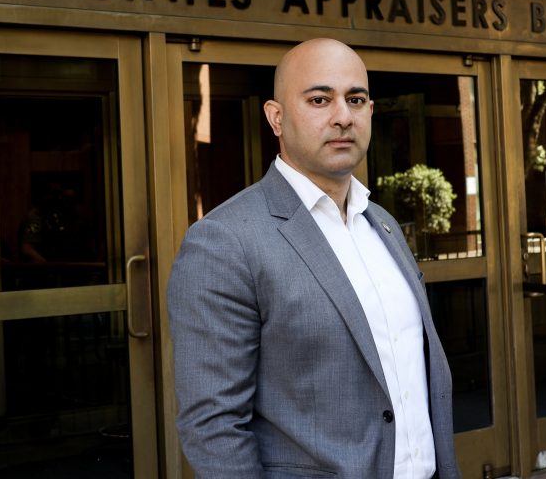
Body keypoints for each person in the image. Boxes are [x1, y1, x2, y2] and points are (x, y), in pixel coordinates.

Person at [168, 38, 461, 478]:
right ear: (276, 117)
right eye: (320, 99)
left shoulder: (381, 224)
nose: (343, 116)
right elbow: (213, 426)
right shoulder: (224, 242)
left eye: (356, 99)